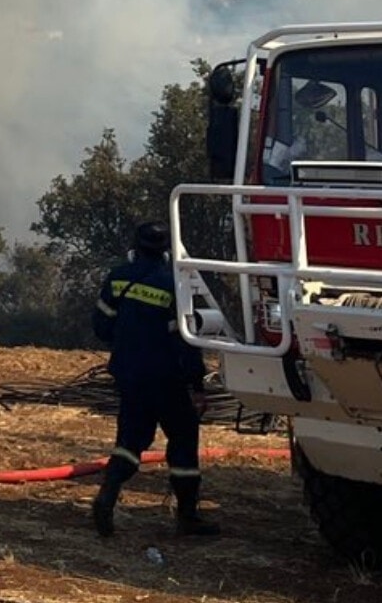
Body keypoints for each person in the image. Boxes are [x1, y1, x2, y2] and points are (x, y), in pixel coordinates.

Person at [89, 220, 219, 539]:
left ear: (136, 245)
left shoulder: (118, 278)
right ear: (165, 251)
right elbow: (186, 341)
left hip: (129, 374)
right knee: (183, 440)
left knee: (130, 441)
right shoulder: (173, 285)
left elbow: (102, 326)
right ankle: (187, 516)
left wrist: (128, 341)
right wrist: (197, 386)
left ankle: (107, 495)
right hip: (167, 378)